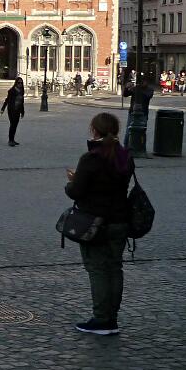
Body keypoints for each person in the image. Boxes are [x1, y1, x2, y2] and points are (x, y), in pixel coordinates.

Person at [65, 112, 134, 335]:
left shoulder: (91, 158)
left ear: (95, 130)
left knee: (97, 270)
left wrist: (73, 181)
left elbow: (76, 191)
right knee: (115, 268)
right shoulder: (124, 155)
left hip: (95, 222)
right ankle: (111, 317)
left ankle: (102, 319)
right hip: (120, 220)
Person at [1, 77, 25, 146]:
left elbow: (22, 102)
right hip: (11, 109)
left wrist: (22, 112)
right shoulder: (12, 90)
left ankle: (12, 139)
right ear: (16, 83)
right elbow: (7, 100)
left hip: (18, 110)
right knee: (12, 125)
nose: (20, 84)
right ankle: (10, 140)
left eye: (21, 83)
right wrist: (3, 109)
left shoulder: (21, 91)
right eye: (18, 83)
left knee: (15, 125)